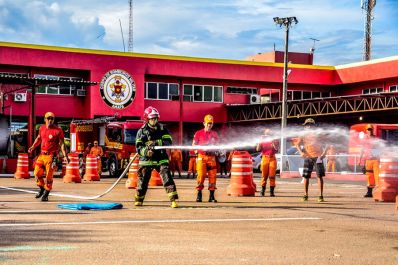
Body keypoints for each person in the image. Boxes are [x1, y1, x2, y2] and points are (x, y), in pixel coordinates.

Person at [134, 106, 179, 208]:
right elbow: (138, 147)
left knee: (167, 178)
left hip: (161, 158)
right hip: (147, 160)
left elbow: (168, 142)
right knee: (143, 180)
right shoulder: (141, 131)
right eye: (152, 118)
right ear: (147, 119)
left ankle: (173, 200)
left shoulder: (163, 129)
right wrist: (146, 152)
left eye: (156, 118)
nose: (155, 120)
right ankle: (139, 199)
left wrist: (156, 142)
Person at [28, 112, 69, 201]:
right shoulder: (42, 128)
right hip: (42, 155)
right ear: (45, 119)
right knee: (36, 173)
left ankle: (46, 194)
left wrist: (65, 156)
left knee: (49, 177)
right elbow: (39, 139)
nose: (50, 120)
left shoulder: (58, 130)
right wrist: (33, 147)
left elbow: (62, 144)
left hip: (51, 156)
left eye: (52, 118)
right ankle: (42, 189)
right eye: (48, 118)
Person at [295, 118, 329, 202]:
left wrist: (324, 153)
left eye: (310, 124)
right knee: (306, 176)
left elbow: (328, 143)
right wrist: (301, 153)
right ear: (305, 126)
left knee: (319, 176)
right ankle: (305, 195)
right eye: (307, 125)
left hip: (318, 157)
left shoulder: (319, 134)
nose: (309, 126)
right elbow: (297, 144)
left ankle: (320, 195)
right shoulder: (303, 134)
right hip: (307, 157)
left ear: (314, 126)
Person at [192, 114, 220, 202]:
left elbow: (218, 145)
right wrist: (196, 150)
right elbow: (193, 144)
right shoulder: (198, 133)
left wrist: (218, 150)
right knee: (201, 175)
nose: (209, 125)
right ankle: (199, 194)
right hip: (201, 157)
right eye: (208, 123)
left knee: (213, 176)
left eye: (211, 123)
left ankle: (211, 196)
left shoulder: (215, 134)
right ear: (204, 123)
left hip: (211, 157)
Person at [256, 128, 279, 197]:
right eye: (267, 133)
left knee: (272, 176)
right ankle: (262, 191)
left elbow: (276, 149)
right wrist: (259, 142)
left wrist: (273, 142)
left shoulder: (275, 140)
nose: (268, 135)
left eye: (270, 133)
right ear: (264, 134)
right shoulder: (262, 140)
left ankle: (271, 192)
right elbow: (257, 149)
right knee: (264, 176)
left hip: (272, 158)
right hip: (264, 158)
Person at [359, 124, 380, 198]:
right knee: (369, 176)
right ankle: (369, 192)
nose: (369, 131)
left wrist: (378, 158)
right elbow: (362, 149)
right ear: (366, 130)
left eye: (371, 129)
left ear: (372, 130)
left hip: (375, 160)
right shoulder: (365, 139)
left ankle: (378, 192)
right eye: (368, 129)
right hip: (368, 160)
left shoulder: (375, 138)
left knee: (377, 176)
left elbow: (378, 149)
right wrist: (360, 159)